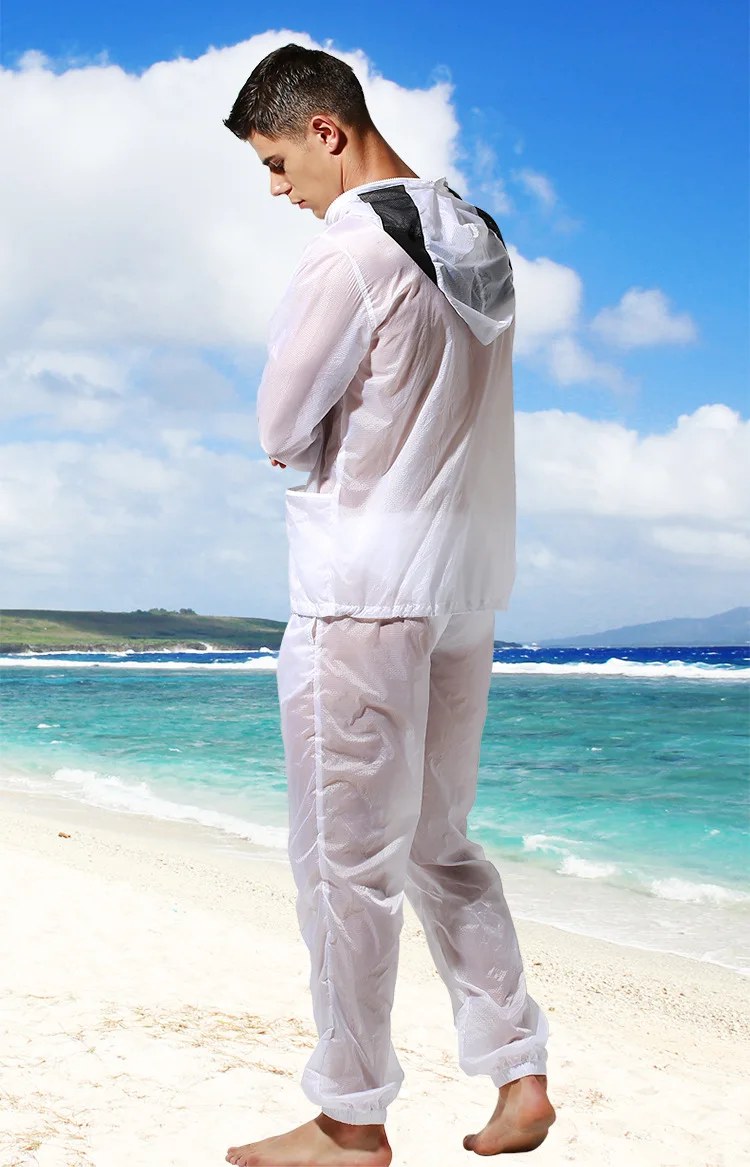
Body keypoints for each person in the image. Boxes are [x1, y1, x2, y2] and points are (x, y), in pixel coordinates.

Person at [223, 44, 555, 1167]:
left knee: (345, 866)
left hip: (361, 592)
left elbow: (280, 426)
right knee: (440, 843)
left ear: (327, 130)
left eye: (277, 162)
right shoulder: (479, 238)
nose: (278, 189)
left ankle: (350, 1119)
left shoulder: (350, 249)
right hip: (463, 588)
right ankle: (518, 1072)